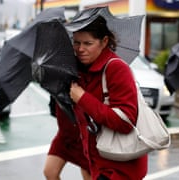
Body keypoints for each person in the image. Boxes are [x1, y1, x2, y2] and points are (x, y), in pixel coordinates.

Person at [69, 16, 148, 180]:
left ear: (104, 41)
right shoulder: (80, 71)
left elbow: (125, 121)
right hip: (99, 162)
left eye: (87, 43)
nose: (80, 49)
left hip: (120, 168)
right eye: (76, 42)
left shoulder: (116, 68)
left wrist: (82, 98)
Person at [43, 96, 91, 180]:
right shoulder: (53, 84)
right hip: (64, 135)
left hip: (82, 137)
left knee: (88, 175)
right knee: (49, 172)